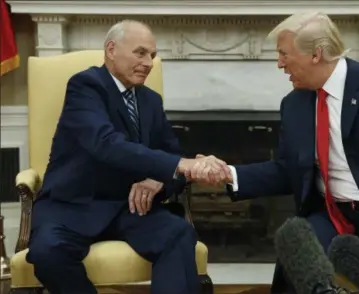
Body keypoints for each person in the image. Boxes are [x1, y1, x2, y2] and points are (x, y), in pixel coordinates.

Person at [188, 12, 359, 292]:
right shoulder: (294, 104)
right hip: (339, 218)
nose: (279, 64)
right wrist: (230, 174)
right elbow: (288, 171)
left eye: (284, 54)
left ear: (316, 54)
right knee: (293, 260)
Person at [26, 20, 229, 294]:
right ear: (111, 49)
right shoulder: (85, 86)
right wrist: (180, 165)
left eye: (153, 56)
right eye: (141, 52)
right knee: (48, 253)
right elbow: (106, 144)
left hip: (131, 207)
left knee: (178, 234)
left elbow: (172, 155)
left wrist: (159, 180)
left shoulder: (150, 101)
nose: (148, 63)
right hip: (72, 204)